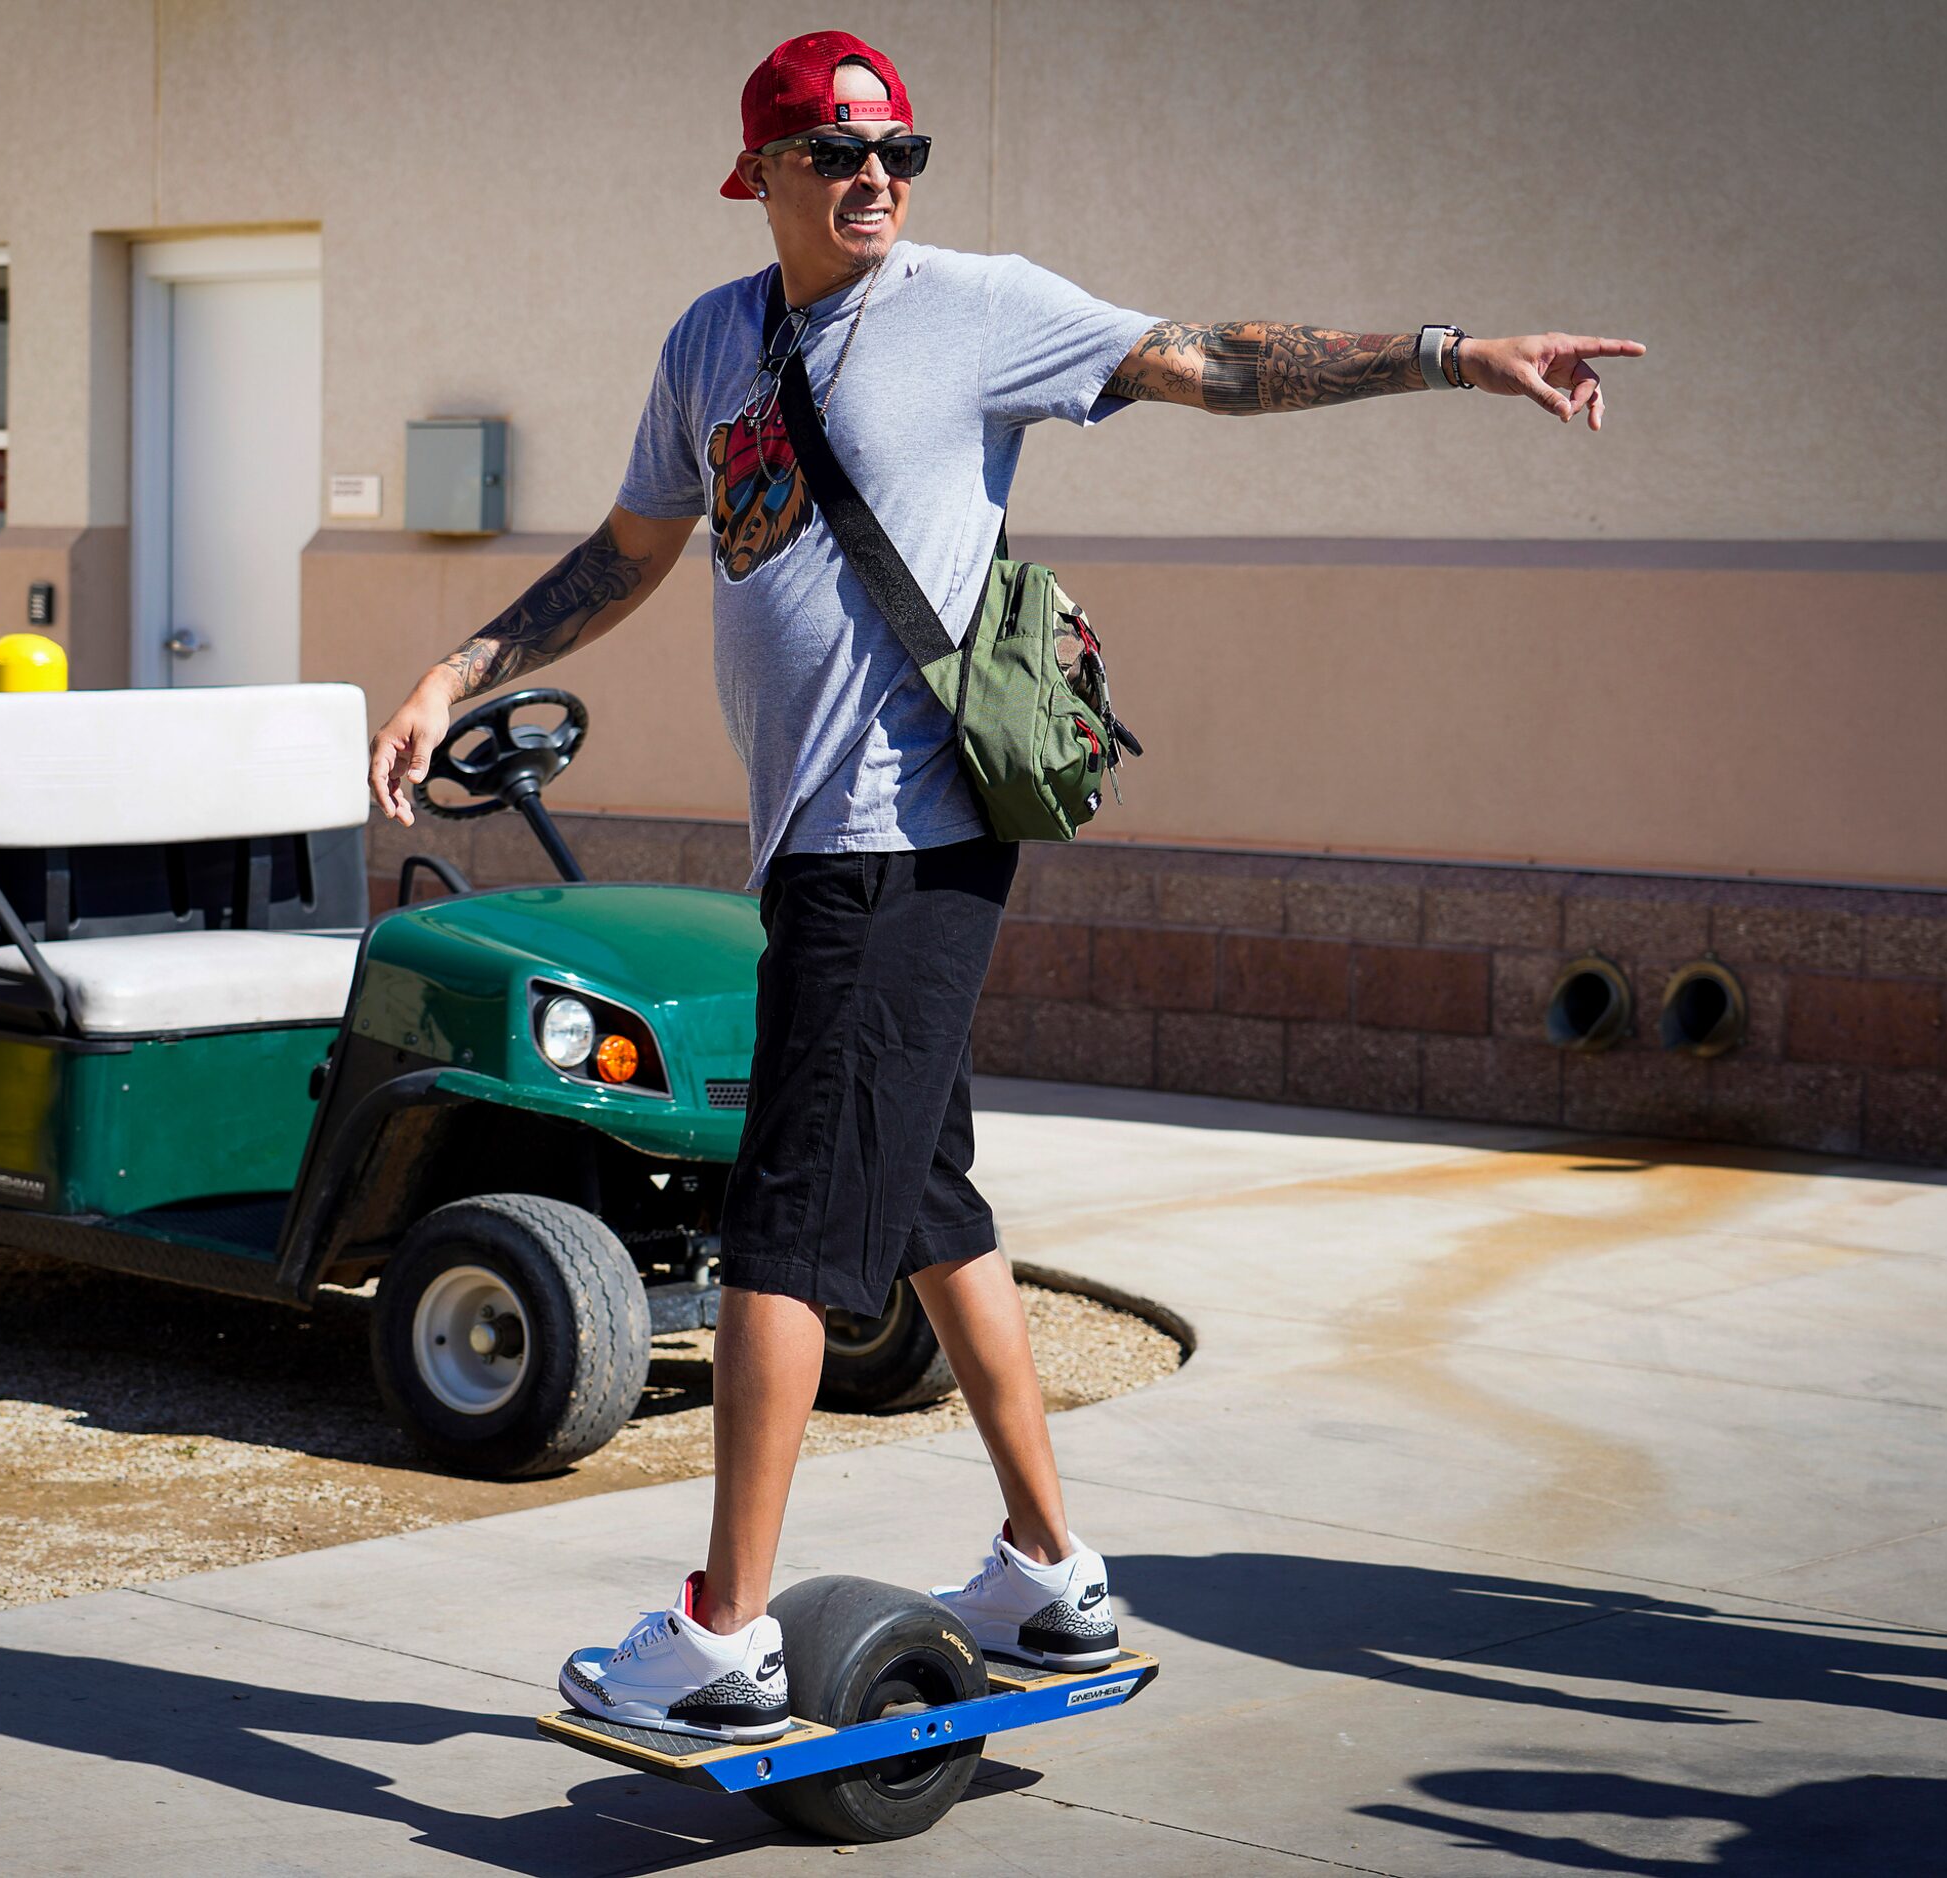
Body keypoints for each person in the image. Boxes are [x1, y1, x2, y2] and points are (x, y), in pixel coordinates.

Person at [368, 29, 1641, 1744]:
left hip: (909, 840)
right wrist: (459, 669)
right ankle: (1048, 1566)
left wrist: (1453, 355)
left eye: (901, 150)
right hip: (816, 844)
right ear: (763, 179)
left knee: (786, 1225)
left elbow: (1214, 361)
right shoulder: (709, 342)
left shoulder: (975, 308)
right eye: (835, 153)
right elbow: (631, 552)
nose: (875, 177)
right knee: (933, 1208)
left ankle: (727, 1631)